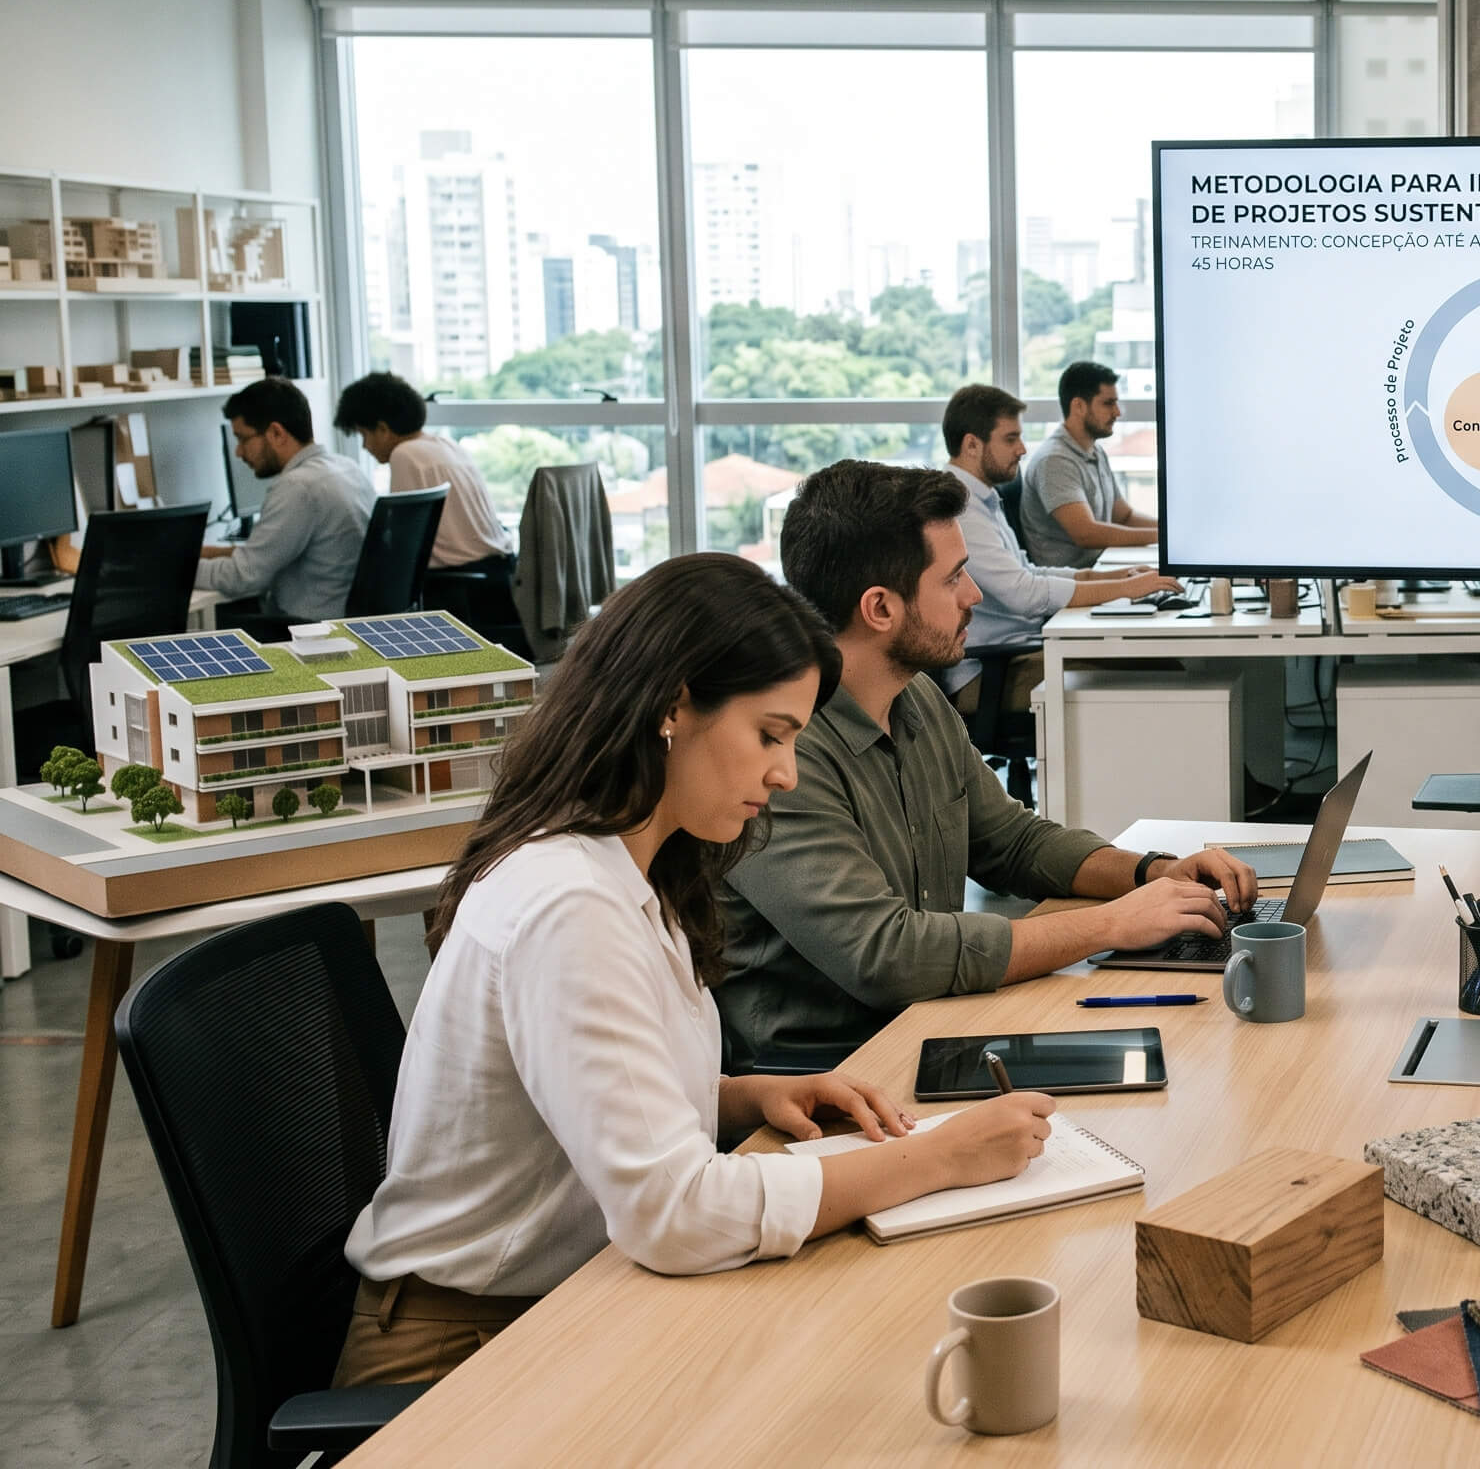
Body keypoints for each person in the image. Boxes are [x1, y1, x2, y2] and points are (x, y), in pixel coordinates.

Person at [337, 553, 1062, 1387]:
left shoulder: (630, 864)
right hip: (458, 1359)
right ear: (673, 708)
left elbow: (594, 1093)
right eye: (770, 735)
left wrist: (743, 1098)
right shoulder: (568, 902)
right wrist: (937, 1159)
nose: (786, 774)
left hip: (566, 1301)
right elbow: (673, 1215)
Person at [716, 459, 1255, 1072]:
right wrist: (1111, 925)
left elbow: (1012, 842)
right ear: (880, 608)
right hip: (835, 1071)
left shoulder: (913, 696)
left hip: (938, 1024)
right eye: (953, 579)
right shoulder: (785, 754)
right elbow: (887, 957)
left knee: (1181, 1054)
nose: (973, 595)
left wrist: (1155, 873)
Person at [936, 383, 1179, 720]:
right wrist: (1124, 589)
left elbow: (1027, 571)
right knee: (1157, 672)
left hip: (1020, 651)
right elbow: (1024, 594)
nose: (1022, 449)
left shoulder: (982, 499)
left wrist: (1107, 576)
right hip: (992, 672)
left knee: (1155, 661)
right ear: (972, 444)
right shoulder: (961, 508)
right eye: (1010, 439)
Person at [199, 379, 376, 628]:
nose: (238, 452)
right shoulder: (346, 468)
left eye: (242, 439)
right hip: (345, 620)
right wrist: (209, 552)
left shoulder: (298, 487)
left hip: (308, 629)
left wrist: (173, 571)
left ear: (276, 433)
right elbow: (267, 553)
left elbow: (241, 577)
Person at [334, 370, 512, 575]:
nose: (365, 446)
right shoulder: (446, 445)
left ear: (383, 429)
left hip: (453, 582)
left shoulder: (405, 453)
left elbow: (403, 545)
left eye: (363, 434)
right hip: (495, 573)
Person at [1018, 360, 1156, 568]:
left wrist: (1172, 532)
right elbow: (1086, 534)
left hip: (1099, 569)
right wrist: (1165, 537)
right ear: (1079, 406)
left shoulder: (1095, 451)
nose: (1117, 412)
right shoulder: (1055, 461)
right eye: (1108, 403)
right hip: (1073, 584)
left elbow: (1124, 516)